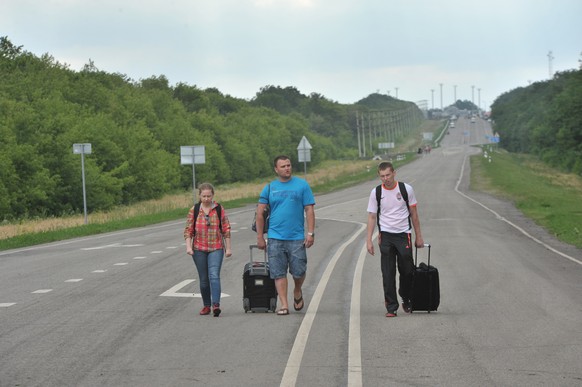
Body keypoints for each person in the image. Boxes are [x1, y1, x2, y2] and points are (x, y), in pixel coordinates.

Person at [255, 155, 315, 316]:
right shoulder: (269, 187)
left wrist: (310, 233)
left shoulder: (302, 185)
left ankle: (297, 290)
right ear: (276, 169)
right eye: (283, 166)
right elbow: (260, 213)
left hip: (296, 237)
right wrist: (260, 237)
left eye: (288, 165)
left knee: (299, 271)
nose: (287, 168)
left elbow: (309, 209)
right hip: (275, 237)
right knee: (278, 272)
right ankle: (284, 304)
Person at [366, 161, 424, 317]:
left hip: (403, 234)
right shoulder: (376, 193)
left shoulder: (406, 189)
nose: (386, 179)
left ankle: (405, 295)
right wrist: (368, 240)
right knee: (388, 272)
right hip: (385, 235)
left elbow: (414, 215)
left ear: (394, 173)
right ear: (379, 176)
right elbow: (372, 216)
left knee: (407, 269)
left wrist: (419, 236)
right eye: (382, 176)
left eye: (388, 175)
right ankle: (391, 306)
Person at [184, 183, 232, 317]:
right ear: (199, 196)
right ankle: (206, 305)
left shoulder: (218, 209)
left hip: (216, 248)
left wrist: (228, 248)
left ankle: (216, 304)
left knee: (214, 276)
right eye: (204, 196)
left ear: (213, 195)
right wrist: (189, 246)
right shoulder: (194, 210)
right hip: (198, 249)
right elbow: (188, 230)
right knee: (204, 279)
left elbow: (226, 229)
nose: (206, 199)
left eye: (209, 196)